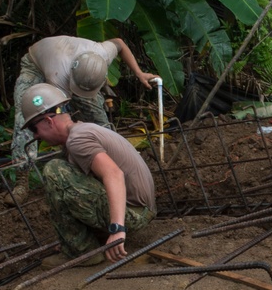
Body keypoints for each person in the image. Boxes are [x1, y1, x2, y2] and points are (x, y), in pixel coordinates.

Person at [8, 35, 160, 203]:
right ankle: (22, 181)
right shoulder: (57, 75)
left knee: (98, 118)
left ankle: (110, 169)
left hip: (80, 75)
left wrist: (139, 73)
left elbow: (120, 43)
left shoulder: (102, 53)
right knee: (28, 119)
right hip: (36, 67)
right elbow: (59, 122)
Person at [20, 83, 156, 264]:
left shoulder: (78, 139)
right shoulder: (82, 131)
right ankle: (81, 242)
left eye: (33, 129)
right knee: (63, 168)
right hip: (140, 210)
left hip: (134, 214)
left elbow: (114, 174)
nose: (35, 136)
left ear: (48, 121)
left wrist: (117, 229)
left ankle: (83, 252)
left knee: (54, 170)